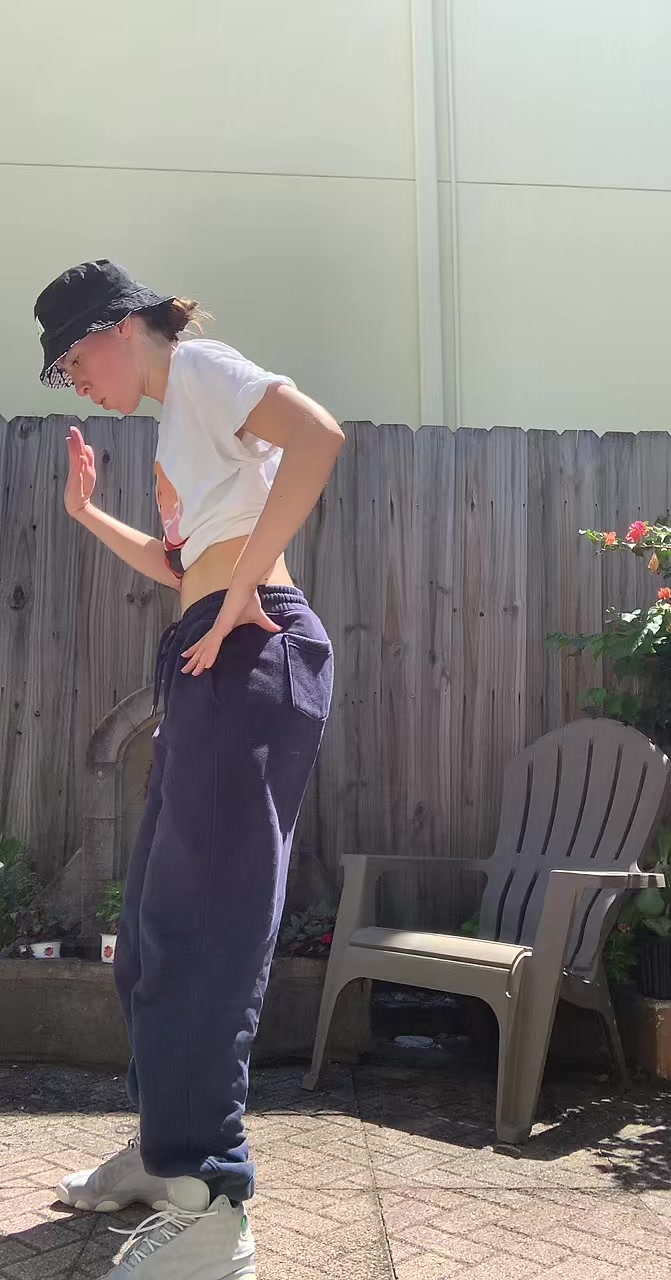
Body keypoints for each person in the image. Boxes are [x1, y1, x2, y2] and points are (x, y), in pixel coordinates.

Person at [33, 260, 344, 1278]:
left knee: (206, 929)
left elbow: (319, 438)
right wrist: (88, 517)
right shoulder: (184, 424)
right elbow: (181, 565)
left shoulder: (201, 367)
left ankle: (212, 1202)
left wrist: (244, 589)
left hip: (252, 646)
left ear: (120, 326)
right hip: (209, 650)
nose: (78, 382)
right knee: (151, 936)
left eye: (74, 361)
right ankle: (165, 1151)